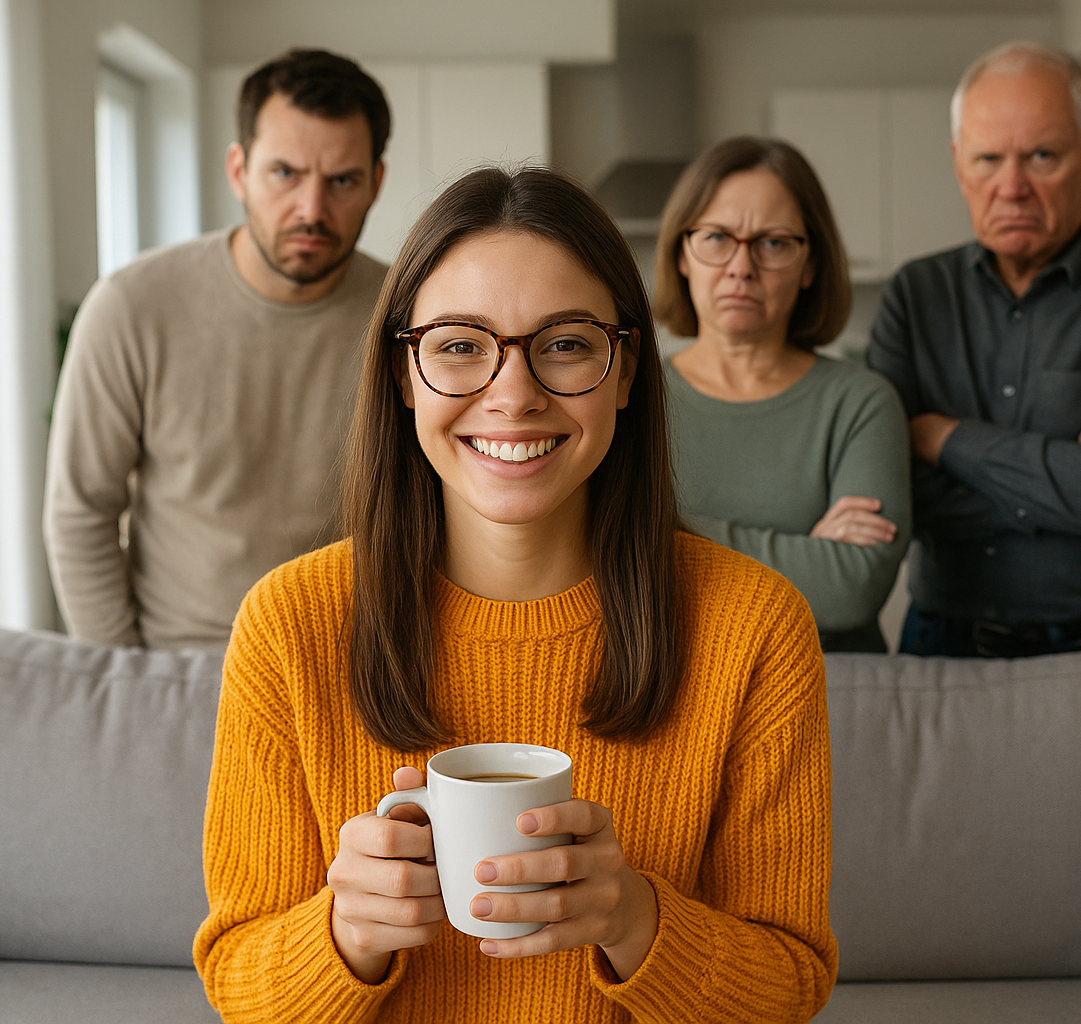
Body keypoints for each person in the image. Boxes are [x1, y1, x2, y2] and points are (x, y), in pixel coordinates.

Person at [192, 167, 837, 1022]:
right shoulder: (288, 624)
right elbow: (236, 983)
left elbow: (790, 989)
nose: (513, 394)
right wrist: (344, 935)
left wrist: (635, 919)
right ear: (401, 373)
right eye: (460, 345)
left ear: (627, 368)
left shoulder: (755, 629)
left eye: (565, 343)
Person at [867, 42, 1081, 753]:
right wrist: (1074, 467)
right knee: (942, 865)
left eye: (1043, 157)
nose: (1012, 186)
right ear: (958, 162)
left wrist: (941, 439)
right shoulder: (914, 295)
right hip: (947, 645)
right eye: (988, 159)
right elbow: (889, 493)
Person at [43, 48, 390, 648]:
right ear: (239, 171)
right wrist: (126, 678)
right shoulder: (132, 307)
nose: (312, 209)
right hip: (184, 665)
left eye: (341, 181)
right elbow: (80, 512)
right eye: (284, 173)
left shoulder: (409, 314)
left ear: (375, 183)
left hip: (351, 663)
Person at [654, 137, 911, 652]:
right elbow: (594, 564)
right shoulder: (631, 398)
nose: (741, 266)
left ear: (810, 264)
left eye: (773, 242)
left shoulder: (862, 402)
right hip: (674, 700)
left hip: (835, 703)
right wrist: (809, 554)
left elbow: (850, 591)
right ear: (683, 253)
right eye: (717, 237)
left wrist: (664, 533)